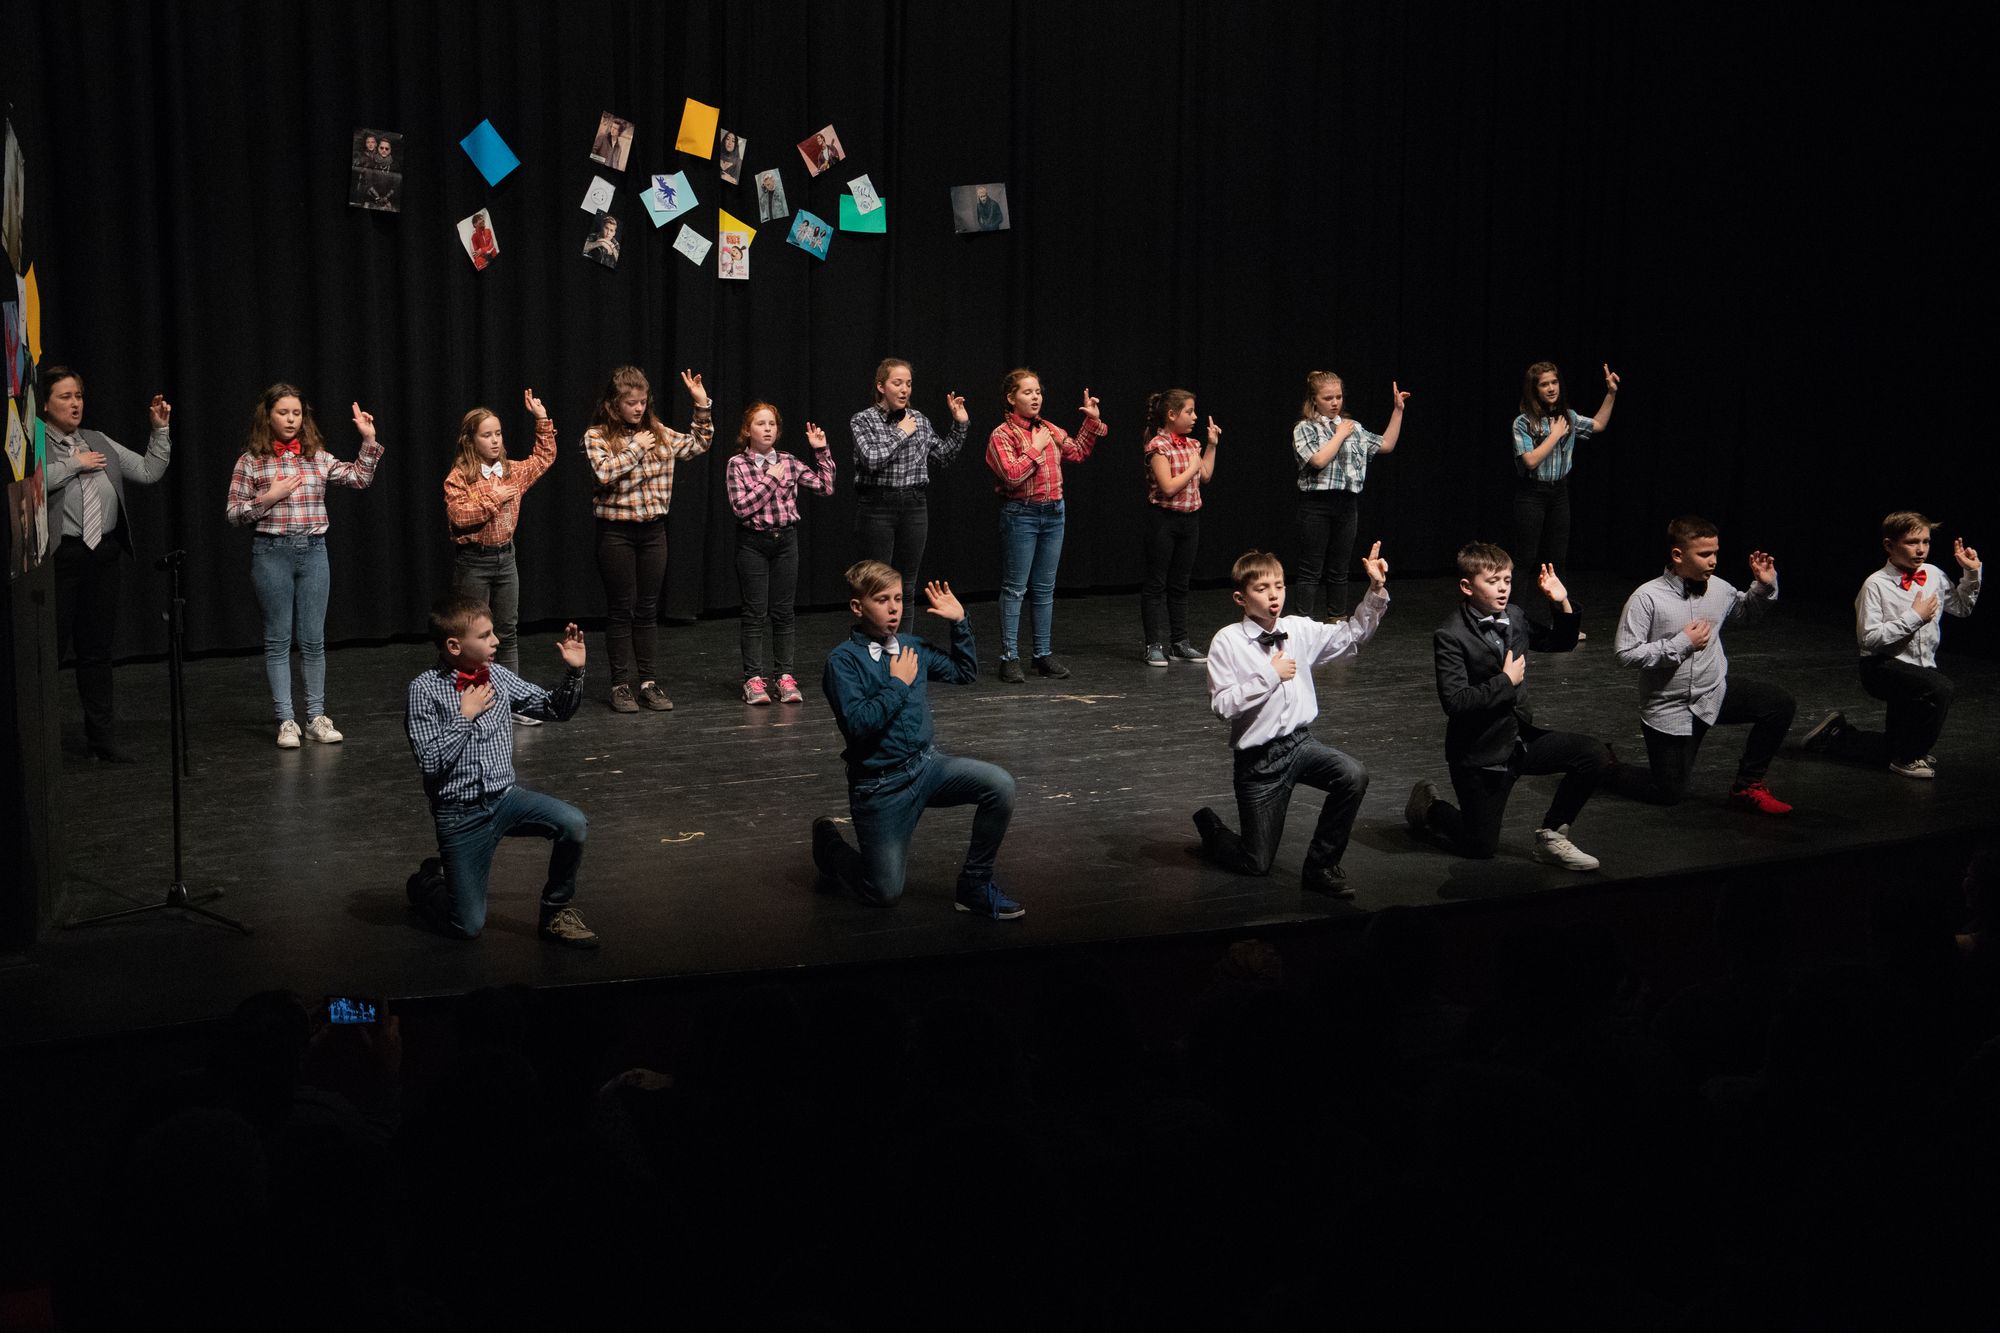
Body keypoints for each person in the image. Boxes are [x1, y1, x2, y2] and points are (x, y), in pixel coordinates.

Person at [810, 562, 1021, 918]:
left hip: (926, 767)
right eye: (882, 600)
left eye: (897, 599)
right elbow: (858, 725)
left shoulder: (910, 648)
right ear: (858, 607)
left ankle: (974, 885)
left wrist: (959, 622)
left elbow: (964, 673)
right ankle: (830, 846)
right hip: (881, 788)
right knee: (883, 892)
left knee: (1000, 785)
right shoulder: (843, 662)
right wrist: (898, 683)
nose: (893, 608)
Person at [1192, 545, 1389, 897]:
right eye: (1262, 588)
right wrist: (1270, 675)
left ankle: (1321, 866)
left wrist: (1375, 590)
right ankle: (1211, 829)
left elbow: (1351, 636)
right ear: (1240, 598)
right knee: (1255, 862)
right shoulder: (1227, 641)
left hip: (1300, 745)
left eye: (1279, 586)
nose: (1274, 595)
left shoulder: (1297, 629)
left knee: (1353, 774)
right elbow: (1223, 705)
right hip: (1259, 763)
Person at [403, 595, 597, 948]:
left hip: (506, 799)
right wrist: (464, 715)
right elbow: (430, 763)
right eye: (485, 635)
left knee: (573, 823)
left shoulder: (498, 677)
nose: (496, 641)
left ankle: (555, 912)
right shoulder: (424, 690)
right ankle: (428, 883)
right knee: (467, 926)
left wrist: (574, 672)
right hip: (460, 815)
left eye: (493, 632)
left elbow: (554, 709)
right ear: (454, 646)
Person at [1404, 543, 1606, 869]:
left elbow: (1560, 642)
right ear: (1467, 586)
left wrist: (1561, 603)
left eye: (1507, 580)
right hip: (1481, 754)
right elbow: (1455, 702)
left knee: (1592, 754)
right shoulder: (1451, 634)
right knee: (1480, 846)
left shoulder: (1515, 616)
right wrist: (1506, 682)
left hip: (1518, 741)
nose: (1503, 588)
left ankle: (1553, 836)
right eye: (1493, 581)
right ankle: (1429, 808)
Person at [224, 384, 384, 748]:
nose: (291, 419)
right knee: (278, 639)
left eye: (296, 413)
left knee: (313, 640)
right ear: (268, 416)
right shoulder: (251, 461)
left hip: (313, 552)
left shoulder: (317, 457)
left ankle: (315, 717)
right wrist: (269, 497)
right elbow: (233, 513)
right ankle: (286, 720)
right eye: (283, 413)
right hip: (272, 552)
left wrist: (368, 440)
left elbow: (359, 478)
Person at [1602, 514, 1795, 813]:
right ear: (1678, 555)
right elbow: (1625, 653)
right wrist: (1681, 644)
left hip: (1711, 692)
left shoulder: (1719, 588)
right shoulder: (1647, 597)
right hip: (1670, 706)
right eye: (1704, 554)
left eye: (1715, 552)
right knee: (1667, 793)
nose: (1713, 561)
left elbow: (1745, 612)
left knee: (1778, 704)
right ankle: (1605, 767)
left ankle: (1747, 786)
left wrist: (1764, 587)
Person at [40, 367, 173, 762]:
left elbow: (148, 472)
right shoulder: (35, 443)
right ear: (45, 404)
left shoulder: (97, 440)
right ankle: (41, 746)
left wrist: (159, 431)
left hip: (102, 555)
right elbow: (29, 483)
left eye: (78, 396)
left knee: (97, 651)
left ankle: (102, 740)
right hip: (60, 558)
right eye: (65, 396)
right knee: (49, 653)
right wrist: (73, 464)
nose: (75, 404)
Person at [1803, 513, 1981, 778]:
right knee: (1940, 689)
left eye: (1925, 541)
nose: (1921, 549)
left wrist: (1971, 573)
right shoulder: (1876, 584)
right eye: (1912, 542)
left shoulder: (1934, 574)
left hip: (1920, 668)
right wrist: (1915, 617)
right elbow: (1869, 638)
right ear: (1889, 545)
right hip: (1881, 667)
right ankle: (1909, 758)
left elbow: (1962, 608)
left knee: (1892, 746)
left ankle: (1835, 735)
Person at [582, 366, 713, 714]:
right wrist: (635, 449)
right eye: (631, 403)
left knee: (647, 608)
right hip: (616, 533)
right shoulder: (597, 435)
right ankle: (619, 685)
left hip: (653, 532)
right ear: (615, 404)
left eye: (642, 402)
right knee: (621, 608)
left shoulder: (659, 433)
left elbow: (698, 444)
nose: (639, 408)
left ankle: (648, 683)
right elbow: (604, 472)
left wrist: (701, 405)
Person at [442, 389, 558, 723]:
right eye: (487, 435)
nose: (495, 441)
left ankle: (511, 702)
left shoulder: (511, 471)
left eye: (498, 434)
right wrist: (494, 498)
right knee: (470, 636)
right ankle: (473, 703)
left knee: (505, 632)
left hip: (505, 558)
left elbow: (543, 458)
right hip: (473, 561)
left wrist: (541, 419)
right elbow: (459, 517)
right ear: (471, 440)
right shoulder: (460, 477)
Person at [985, 369, 1105, 682]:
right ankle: (1010, 657)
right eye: (1027, 392)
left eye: (1038, 391)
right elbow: (1011, 475)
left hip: (1053, 514)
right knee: (1015, 588)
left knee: (1044, 588)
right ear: (1011, 398)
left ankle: (1042, 654)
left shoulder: (1049, 429)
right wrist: (1035, 448)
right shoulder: (1002, 435)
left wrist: (1091, 421)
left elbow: (1077, 451)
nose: (1035, 397)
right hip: (1021, 514)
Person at [725, 402, 835, 705]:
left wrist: (821, 451)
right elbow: (741, 508)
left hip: (786, 541)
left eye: (772, 424)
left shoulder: (788, 461)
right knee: (755, 612)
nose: (767, 429)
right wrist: (771, 479)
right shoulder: (737, 464)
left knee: (784, 612)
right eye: (760, 424)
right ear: (748, 430)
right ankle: (753, 679)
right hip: (753, 543)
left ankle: (784, 677)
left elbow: (825, 487)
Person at [847, 357, 969, 611]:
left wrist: (959, 424)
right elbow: (872, 459)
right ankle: (875, 637)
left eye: (909, 384)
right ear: (881, 386)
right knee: (876, 585)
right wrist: (901, 432)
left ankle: (902, 638)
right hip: (877, 506)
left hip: (914, 506)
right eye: (898, 383)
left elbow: (943, 457)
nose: (904, 390)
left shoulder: (919, 420)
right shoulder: (863, 420)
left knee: (907, 587)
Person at [1291, 371, 1409, 622]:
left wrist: (1398, 410)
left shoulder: (1353, 427)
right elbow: (1318, 460)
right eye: (1328, 398)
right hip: (1317, 505)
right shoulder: (1305, 428)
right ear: (1314, 400)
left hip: (1346, 504)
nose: (1335, 403)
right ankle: (1303, 625)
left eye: (1338, 397)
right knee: (1311, 568)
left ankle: (1337, 621)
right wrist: (1339, 434)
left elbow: (1386, 444)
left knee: (1339, 569)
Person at [1512, 360, 1619, 632]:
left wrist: (1611, 393)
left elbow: (1598, 425)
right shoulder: (1523, 422)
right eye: (1544, 384)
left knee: (1557, 560)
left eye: (1554, 382)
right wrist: (1555, 434)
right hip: (1532, 494)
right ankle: (1513, 623)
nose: (1551, 388)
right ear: (1534, 389)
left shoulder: (1568, 416)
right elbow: (1530, 461)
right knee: (1525, 560)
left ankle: (1563, 625)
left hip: (1559, 492)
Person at [1139, 388, 1219, 667]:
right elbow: (1169, 487)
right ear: (1172, 415)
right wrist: (1193, 467)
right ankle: (1153, 645)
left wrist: (1211, 446)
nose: (1194, 417)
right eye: (1189, 411)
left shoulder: (1192, 444)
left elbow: (1205, 475)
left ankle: (1180, 643)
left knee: (1180, 583)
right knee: (1156, 583)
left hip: (1190, 521)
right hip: (1163, 521)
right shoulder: (1158, 446)